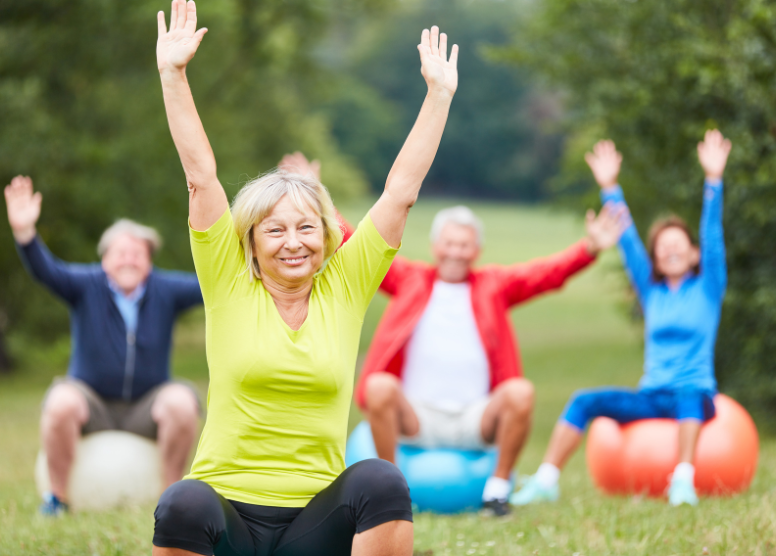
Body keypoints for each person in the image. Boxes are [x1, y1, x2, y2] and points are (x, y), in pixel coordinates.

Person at [152, 0, 458, 553]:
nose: (293, 242)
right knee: (182, 500)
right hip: (229, 521)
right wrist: (173, 75)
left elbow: (400, 194)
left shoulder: (345, 285)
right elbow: (201, 178)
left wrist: (438, 96)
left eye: (305, 228)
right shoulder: (229, 280)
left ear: (327, 234)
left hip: (314, 527)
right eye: (274, 231)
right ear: (248, 243)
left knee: (381, 480)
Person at [278, 152, 627, 516]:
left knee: (520, 392)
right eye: (449, 243)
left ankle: (497, 490)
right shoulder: (410, 279)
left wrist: (589, 249)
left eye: (464, 245)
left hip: (474, 418)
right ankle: (393, 488)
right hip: (415, 416)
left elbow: (544, 274)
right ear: (435, 247)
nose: (456, 252)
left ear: (477, 249)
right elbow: (355, 242)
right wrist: (314, 192)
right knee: (379, 385)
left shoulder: (493, 285)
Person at [512, 130, 730, 507]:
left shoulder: (709, 287)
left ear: (694, 255)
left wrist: (713, 180)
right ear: (657, 259)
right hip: (652, 395)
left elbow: (712, 235)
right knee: (584, 400)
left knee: (689, 393)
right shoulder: (652, 292)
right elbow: (628, 242)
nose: (671, 251)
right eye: (663, 248)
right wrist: (609, 187)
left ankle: (682, 482)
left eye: (679, 245)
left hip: (695, 397)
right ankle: (546, 480)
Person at [4, 175, 204, 517]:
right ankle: (57, 499)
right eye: (120, 253)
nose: (129, 260)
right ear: (105, 258)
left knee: (183, 403)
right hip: (91, 401)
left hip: (147, 403)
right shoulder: (86, 284)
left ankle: (169, 503)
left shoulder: (166, 289)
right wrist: (25, 234)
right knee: (60, 402)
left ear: (149, 261)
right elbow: (45, 271)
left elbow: (213, 283)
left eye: (137, 254)